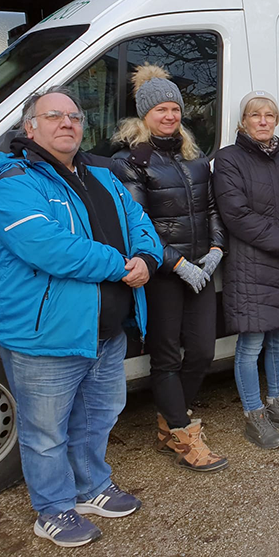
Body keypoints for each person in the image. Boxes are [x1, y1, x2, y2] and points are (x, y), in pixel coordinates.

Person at [0, 86, 163, 547]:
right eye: (54, 116)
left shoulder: (99, 173)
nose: (68, 123)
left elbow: (140, 221)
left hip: (104, 333)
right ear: (30, 127)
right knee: (45, 433)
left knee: (97, 419)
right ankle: (52, 509)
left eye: (75, 116)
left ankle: (91, 489)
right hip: (44, 335)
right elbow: (50, 248)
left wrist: (147, 256)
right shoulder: (14, 183)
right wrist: (124, 266)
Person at [111, 65, 227, 472]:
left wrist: (215, 249)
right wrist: (177, 263)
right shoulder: (130, 162)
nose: (170, 116)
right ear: (144, 114)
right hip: (162, 275)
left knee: (201, 351)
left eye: (174, 109)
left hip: (201, 267)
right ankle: (182, 432)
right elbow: (135, 224)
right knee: (165, 356)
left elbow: (212, 207)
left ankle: (168, 420)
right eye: (161, 109)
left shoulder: (194, 158)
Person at [212, 92, 279, 448]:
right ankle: (254, 415)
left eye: (269, 114)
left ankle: (278, 403)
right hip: (252, 264)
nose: (263, 120)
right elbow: (236, 214)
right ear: (243, 121)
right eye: (255, 115)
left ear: (276, 120)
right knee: (252, 341)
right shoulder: (228, 160)